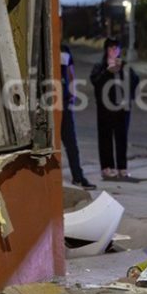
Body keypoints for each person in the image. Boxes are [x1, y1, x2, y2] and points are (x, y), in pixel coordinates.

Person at [89, 38, 139, 180]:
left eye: (116, 48)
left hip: (122, 108)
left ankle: (122, 167)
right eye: (111, 48)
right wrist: (107, 71)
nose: (113, 51)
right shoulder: (100, 66)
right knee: (105, 138)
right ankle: (107, 167)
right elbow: (95, 81)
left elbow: (135, 80)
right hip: (105, 109)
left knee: (121, 138)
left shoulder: (123, 66)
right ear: (106, 50)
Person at [60, 43, 96, 189]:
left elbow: (71, 73)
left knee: (71, 143)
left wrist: (73, 93)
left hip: (65, 100)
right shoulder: (44, 44)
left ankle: (78, 177)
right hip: (50, 101)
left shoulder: (64, 49)